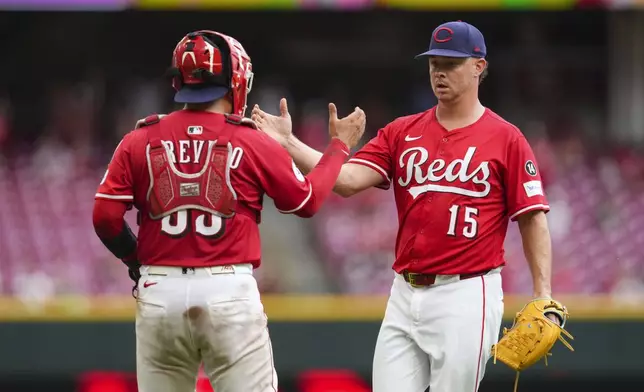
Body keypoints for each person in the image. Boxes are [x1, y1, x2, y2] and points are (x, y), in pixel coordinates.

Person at [252, 20, 563, 392]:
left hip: (466, 292)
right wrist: (288, 143)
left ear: (479, 66)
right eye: (435, 64)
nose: (439, 72)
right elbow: (345, 180)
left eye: (451, 64)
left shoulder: (506, 138)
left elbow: (532, 217)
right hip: (404, 292)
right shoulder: (402, 131)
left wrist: (542, 293)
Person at [92, 30, 365, 392]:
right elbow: (306, 201)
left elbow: (105, 218)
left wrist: (135, 260)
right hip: (227, 290)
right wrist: (338, 149)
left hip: (159, 288)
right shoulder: (250, 138)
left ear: (179, 81)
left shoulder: (139, 138)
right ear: (236, 81)